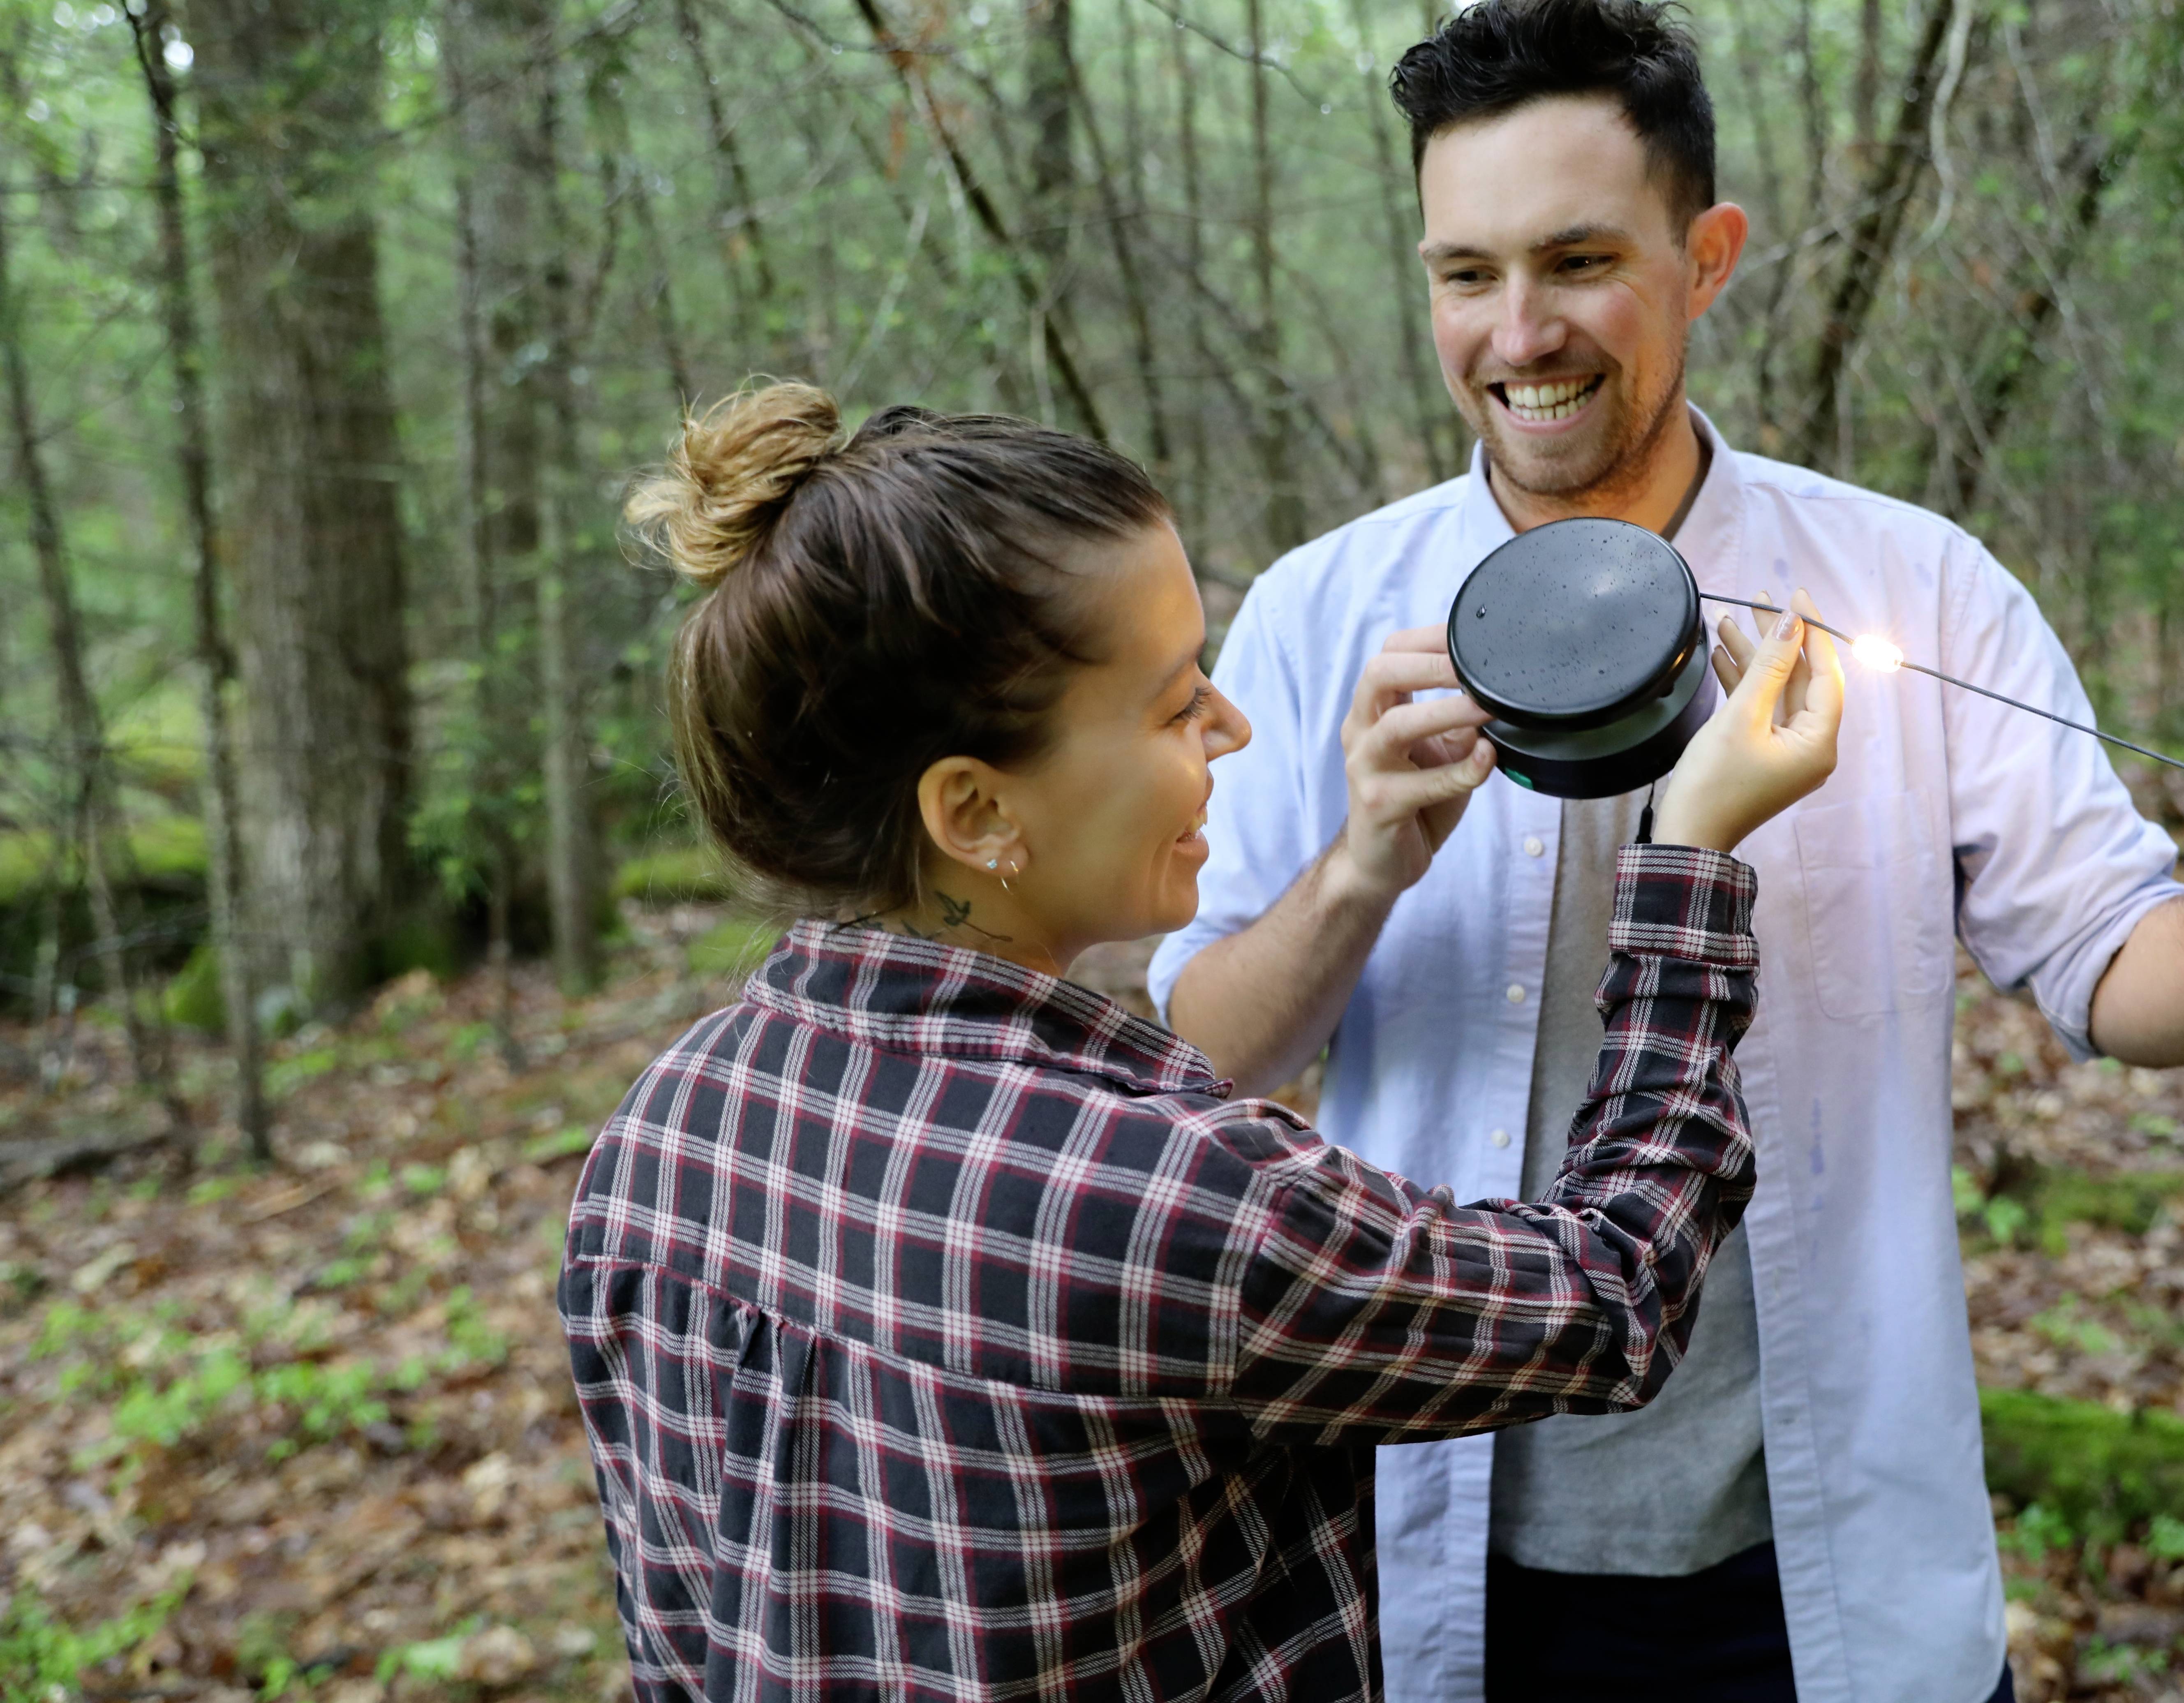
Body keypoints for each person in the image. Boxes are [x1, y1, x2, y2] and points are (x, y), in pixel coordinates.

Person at [1151, 0, 2184, 1703]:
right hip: (1430, 1564)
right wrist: (1366, 859)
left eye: (1581, 261)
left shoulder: (1912, 588)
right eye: (1466, 273)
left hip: (1826, 1564)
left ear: (1708, 254)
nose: (1519, 332)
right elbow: (1192, 1062)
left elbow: (2130, 977)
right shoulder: (1320, 616)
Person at [557, 381, 1847, 1700]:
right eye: (1178, 706)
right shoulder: (1149, 1190)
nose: (1232, 729)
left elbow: (679, 1639)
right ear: (976, 809)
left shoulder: (657, 1143)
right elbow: (1610, 1302)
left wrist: (1360, 864)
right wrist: (1687, 856)